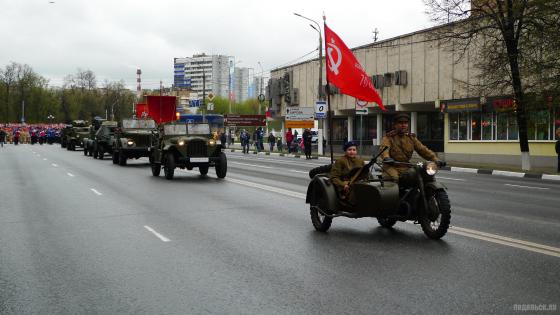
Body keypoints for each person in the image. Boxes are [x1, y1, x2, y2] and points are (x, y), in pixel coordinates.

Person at [380, 113, 442, 182]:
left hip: (406, 166)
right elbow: (384, 150)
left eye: (405, 123)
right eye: (400, 123)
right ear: (395, 125)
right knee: (394, 178)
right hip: (391, 166)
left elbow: (423, 150)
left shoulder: (411, 138)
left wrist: (435, 159)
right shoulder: (388, 138)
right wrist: (387, 158)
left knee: (423, 176)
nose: (403, 125)